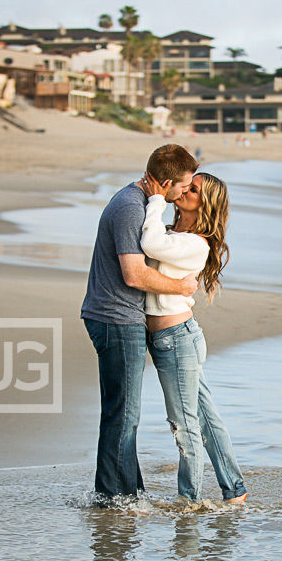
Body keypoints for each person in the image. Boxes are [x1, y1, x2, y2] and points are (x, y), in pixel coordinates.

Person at [81, 144, 199, 502]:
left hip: (115, 316)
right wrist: (182, 286)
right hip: (116, 318)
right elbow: (134, 275)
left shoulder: (136, 202)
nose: (183, 194)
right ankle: (114, 498)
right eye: (182, 186)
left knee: (123, 412)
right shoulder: (131, 207)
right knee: (124, 414)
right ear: (165, 182)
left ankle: (128, 493)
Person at [140, 171, 247, 505]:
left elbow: (151, 243)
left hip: (176, 341)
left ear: (206, 203)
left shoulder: (196, 244)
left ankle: (190, 502)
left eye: (194, 189)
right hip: (171, 341)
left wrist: (156, 198)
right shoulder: (175, 233)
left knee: (184, 425)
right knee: (206, 418)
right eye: (187, 185)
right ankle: (235, 490)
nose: (184, 190)